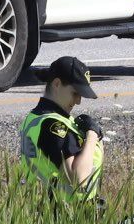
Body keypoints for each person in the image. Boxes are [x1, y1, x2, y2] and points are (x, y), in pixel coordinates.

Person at [19, 55, 104, 200]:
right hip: (63, 213)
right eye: (75, 93)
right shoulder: (53, 126)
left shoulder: (37, 118)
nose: (78, 101)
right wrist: (92, 134)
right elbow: (79, 178)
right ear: (57, 84)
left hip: (47, 207)